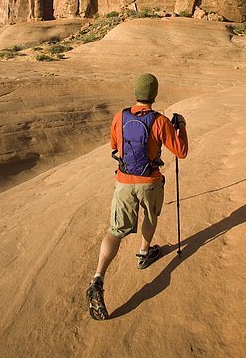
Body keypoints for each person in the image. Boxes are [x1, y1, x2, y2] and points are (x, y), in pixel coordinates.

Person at [86, 72, 188, 320]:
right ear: (154, 94)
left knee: (115, 230)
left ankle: (98, 277)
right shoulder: (160, 121)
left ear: (135, 92)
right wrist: (181, 127)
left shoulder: (120, 116)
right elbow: (181, 152)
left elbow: (114, 147)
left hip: (123, 180)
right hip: (150, 181)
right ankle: (144, 253)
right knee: (150, 216)